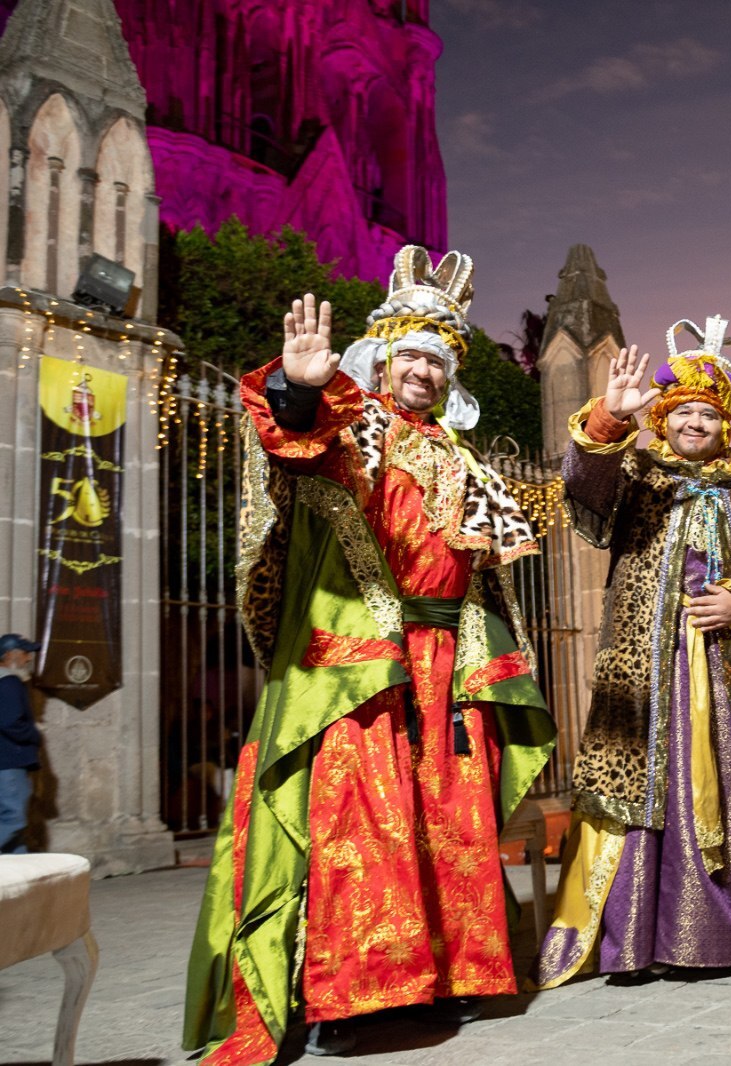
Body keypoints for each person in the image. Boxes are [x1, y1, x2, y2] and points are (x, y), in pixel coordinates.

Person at [183, 248, 555, 1064]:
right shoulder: (354, 428)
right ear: (382, 356)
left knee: (451, 821)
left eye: (438, 358)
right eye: (412, 353)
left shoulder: (463, 457)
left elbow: (480, 573)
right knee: (363, 819)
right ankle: (359, 995)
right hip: (363, 661)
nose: (423, 369)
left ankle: (455, 975)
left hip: (448, 663)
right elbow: (296, 446)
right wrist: (302, 391)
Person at [535, 318, 731, 987]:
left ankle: (721, 937)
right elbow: (583, 486)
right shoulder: (633, 474)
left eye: (709, 414)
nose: (696, 424)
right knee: (639, 785)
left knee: (725, 783)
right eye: (684, 412)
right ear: (663, 419)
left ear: (726, 424)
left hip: (728, 668)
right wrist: (609, 415)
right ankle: (632, 941)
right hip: (643, 668)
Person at [0, 633, 42, 854]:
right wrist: (35, 736)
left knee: (15, 831)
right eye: (25, 653)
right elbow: (9, 722)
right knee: (14, 818)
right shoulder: (9, 682)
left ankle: (21, 879)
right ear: (9, 655)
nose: (28, 659)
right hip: (9, 761)